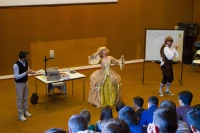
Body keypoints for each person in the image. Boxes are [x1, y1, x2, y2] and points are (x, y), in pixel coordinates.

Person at [13, 51, 35, 121]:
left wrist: (34, 72)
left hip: (26, 82)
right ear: (23, 58)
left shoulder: (26, 62)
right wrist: (26, 73)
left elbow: (28, 70)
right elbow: (16, 77)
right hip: (19, 84)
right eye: (27, 56)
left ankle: (25, 111)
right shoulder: (16, 65)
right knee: (20, 99)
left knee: (25, 97)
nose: (28, 57)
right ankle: (20, 114)